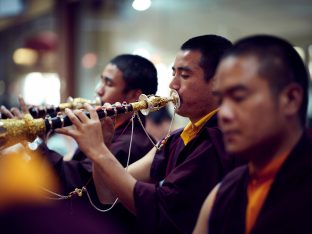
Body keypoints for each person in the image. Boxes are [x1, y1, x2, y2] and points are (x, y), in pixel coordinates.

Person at [56, 35, 241, 233]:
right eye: (173, 74)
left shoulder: (220, 139)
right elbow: (107, 193)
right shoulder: (177, 138)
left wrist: (99, 150)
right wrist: (105, 143)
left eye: (184, 76)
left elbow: (160, 207)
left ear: (217, 82)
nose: (173, 85)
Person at [0, 54, 158, 233]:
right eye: (101, 81)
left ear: (134, 96)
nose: (99, 90)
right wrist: (38, 137)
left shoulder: (133, 143)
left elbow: (79, 184)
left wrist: (34, 143)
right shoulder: (110, 130)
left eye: (109, 83)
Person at [193, 35, 311, 234]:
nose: (224, 114)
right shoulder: (224, 193)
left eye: (239, 97)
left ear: (291, 99)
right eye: (220, 101)